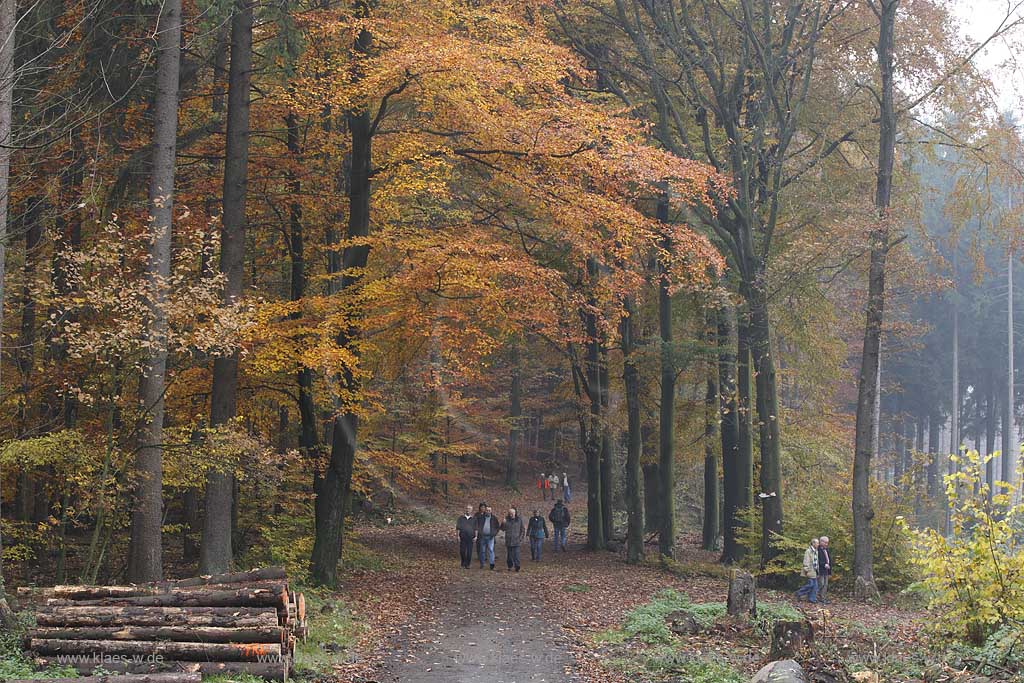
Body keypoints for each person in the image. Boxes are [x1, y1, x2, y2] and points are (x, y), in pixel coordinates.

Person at [795, 538, 820, 603]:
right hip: (809, 571)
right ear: (813, 543)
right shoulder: (808, 551)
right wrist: (806, 570)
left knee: (815, 586)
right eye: (817, 543)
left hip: (814, 571)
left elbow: (816, 562)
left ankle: (812, 599)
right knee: (810, 584)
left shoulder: (816, 551)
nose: (818, 544)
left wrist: (818, 571)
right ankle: (799, 593)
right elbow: (806, 561)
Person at [501, 507, 526, 572]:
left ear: (515, 513)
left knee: (516, 554)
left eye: (512, 513)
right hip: (509, 540)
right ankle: (510, 566)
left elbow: (522, 529)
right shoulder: (506, 519)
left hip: (516, 540)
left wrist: (520, 538)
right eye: (510, 513)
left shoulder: (519, 520)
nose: (511, 514)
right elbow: (503, 529)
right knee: (509, 555)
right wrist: (503, 523)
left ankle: (517, 566)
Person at [476, 504, 500, 570]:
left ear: (491, 511)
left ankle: (492, 564)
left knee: (491, 550)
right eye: (487, 510)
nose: (488, 511)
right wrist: (480, 532)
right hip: (482, 537)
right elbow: (477, 525)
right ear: (485, 511)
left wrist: (494, 534)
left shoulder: (494, 518)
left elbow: (497, 527)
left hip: (490, 537)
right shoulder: (481, 517)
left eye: (489, 510)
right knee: (482, 551)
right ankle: (482, 564)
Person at [456, 504, 477, 569]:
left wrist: (476, 536)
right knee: (462, 551)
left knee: (469, 552)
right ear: (465, 509)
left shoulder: (474, 519)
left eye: (469, 509)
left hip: (470, 537)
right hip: (463, 537)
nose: (468, 510)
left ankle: (467, 564)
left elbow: (476, 528)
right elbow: (458, 528)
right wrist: (458, 536)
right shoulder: (461, 518)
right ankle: (463, 561)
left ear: (471, 510)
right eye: (467, 508)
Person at [817, 536, 832, 604]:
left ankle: (823, 598)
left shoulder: (827, 550)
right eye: (825, 542)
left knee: (825, 585)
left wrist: (829, 568)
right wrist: (824, 564)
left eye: (827, 543)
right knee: (821, 584)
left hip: (827, 570)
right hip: (820, 570)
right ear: (821, 542)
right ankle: (817, 597)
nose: (826, 544)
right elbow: (818, 560)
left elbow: (829, 559)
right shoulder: (817, 550)